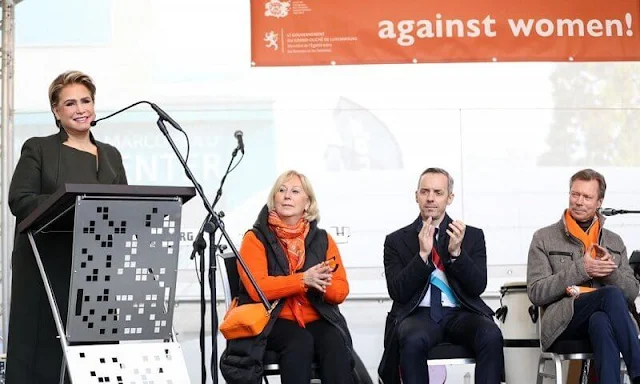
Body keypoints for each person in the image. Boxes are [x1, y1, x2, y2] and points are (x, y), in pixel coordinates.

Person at [5, 70, 128, 384]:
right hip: (47, 268)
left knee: (95, 362)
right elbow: (20, 200)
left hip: (97, 271)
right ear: (56, 112)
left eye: (85, 100)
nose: (80, 108)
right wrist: (70, 202)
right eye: (70, 103)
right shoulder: (40, 149)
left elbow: (124, 208)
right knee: (43, 360)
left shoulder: (112, 155)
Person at [220, 170, 357, 384]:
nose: (286, 195)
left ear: (307, 202)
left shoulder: (322, 239)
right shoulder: (254, 238)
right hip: (272, 319)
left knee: (334, 340)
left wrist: (321, 283)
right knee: (299, 341)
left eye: (295, 191)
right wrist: (303, 280)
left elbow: (340, 291)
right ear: (273, 199)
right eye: (281, 190)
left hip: (313, 317)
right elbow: (258, 290)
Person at [378, 167, 504, 384]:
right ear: (416, 195)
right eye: (424, 192)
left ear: (450, 198)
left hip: (461, 313)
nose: (430, 198)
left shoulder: (472, 236)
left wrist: (457, 254)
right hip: (419, 315)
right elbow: (397, 292)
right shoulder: (396, 240)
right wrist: (422, 256)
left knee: (490, 334)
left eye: (438, 192)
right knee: (411, 338)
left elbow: (477, 286)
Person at [527, 168, 640, 384]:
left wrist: (610, 273)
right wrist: (582, 269)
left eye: (587, 197)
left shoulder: (614, 242)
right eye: (574, 194)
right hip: (564, 320)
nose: (578, 201)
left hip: (604, 318)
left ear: (599, 202)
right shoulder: (543, 238)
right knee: (610, 295)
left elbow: (632, 292)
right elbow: (536, 292)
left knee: (601, 320)